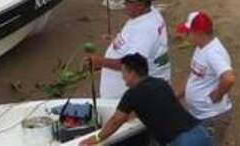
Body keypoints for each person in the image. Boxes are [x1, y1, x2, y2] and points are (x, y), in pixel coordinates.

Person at [80, 54, 211, 146]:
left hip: (182, 141)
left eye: (124, 72)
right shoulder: (160, 83)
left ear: (132, 73)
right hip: (199, 132)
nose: (122, 77)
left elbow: (115, 121)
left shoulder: (132, 94)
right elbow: (160, 105)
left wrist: (96, 138)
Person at [85, 0, 171, 100]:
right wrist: (117, 40)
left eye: (128, 2)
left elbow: (132, 64)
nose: (124, 4)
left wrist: (100, 62)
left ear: (140, 5)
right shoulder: (149, 14)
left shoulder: (146, 30)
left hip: (125, 94)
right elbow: (137, 44)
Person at [176, 12, 235, 146]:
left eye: (189, 32)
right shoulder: (201, 47)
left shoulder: (213, 53)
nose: (186, 36)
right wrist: (179, 94)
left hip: (213, 116)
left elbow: (229, 78)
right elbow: (194, 75)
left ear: (199, 32)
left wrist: (218, 94)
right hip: (200, 114)